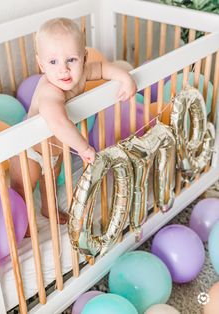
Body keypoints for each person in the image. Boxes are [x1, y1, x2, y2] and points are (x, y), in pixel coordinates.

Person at [10, 17, 137, 229]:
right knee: (23, 188)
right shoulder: (49, 91)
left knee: (49, 183)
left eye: (71, 60)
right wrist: (83, 147)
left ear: (84, 57)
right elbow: (58, 122)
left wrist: (125, 78)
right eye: (53, 62)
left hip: (54, 151)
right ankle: (19, 220)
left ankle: (47, 209)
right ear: (41, 64)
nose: (64, 70)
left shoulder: (83, 72)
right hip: (30, 152)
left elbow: (104, 68)